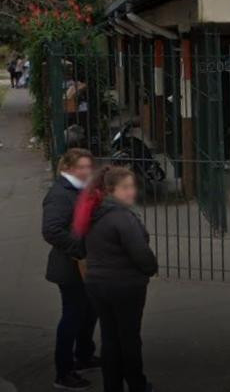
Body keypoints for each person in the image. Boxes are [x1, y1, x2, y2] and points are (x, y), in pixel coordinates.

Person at [81, 167, 158, 392]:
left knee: (109, 337)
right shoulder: (122, 217)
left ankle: (112, 386)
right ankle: (137, 384)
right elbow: (140, 252)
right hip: (124, 285)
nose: (131, 192)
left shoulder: (94, 213)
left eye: (132, 186)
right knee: (129, 338)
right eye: (125, 187)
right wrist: (150, 269)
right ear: (110, 190)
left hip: (97, 284)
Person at [42, 148, 100, 391]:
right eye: (81, 167)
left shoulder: (80, 189)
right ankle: (64, 372)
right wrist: (80, 250)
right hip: (71, 266)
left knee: (90, 310)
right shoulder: (60, 194)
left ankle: (84, 355)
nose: (87, 171)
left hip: (86, 264)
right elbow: (52, 230)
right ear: (67, 168)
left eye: (89, 166)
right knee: (72, 316)